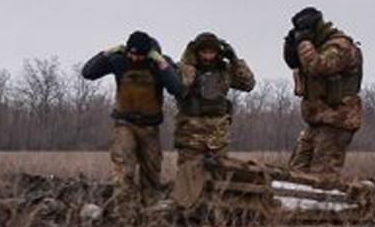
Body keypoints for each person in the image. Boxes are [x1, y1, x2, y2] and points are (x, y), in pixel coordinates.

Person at [81, 31, 184, 208]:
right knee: (123, 167)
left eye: (140, 55)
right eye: (132, 54)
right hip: (125, 124)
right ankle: (123, 210)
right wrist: (107, 52)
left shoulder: (159, 63)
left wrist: (160, 61)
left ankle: (151, 209)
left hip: (150, 127)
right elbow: (88, 72)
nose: (136, 59)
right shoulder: (119, 60)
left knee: (151, 171)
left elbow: (176, 88)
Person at [283, 6, 363, 179]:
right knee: (295, 173)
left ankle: (327, 206)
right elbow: (294, 63)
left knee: (322, 178)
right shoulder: (317, 46)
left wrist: (303, 43)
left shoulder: (340, 46)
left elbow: (318, 67)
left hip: (337, 120)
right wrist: (291, 45)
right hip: (317, 121)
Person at [174, 32, 256, 166]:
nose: (207, 57)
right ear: (196, 52)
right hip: (190, 135)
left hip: (218, 135)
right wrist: (188, 62)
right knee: (189, 175)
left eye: (211, 52)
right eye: (203, 52)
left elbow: (248, 84)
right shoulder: (185, 69)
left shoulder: (225, 71)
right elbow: (180, 85)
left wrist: (235, 60)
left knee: (219, 176)